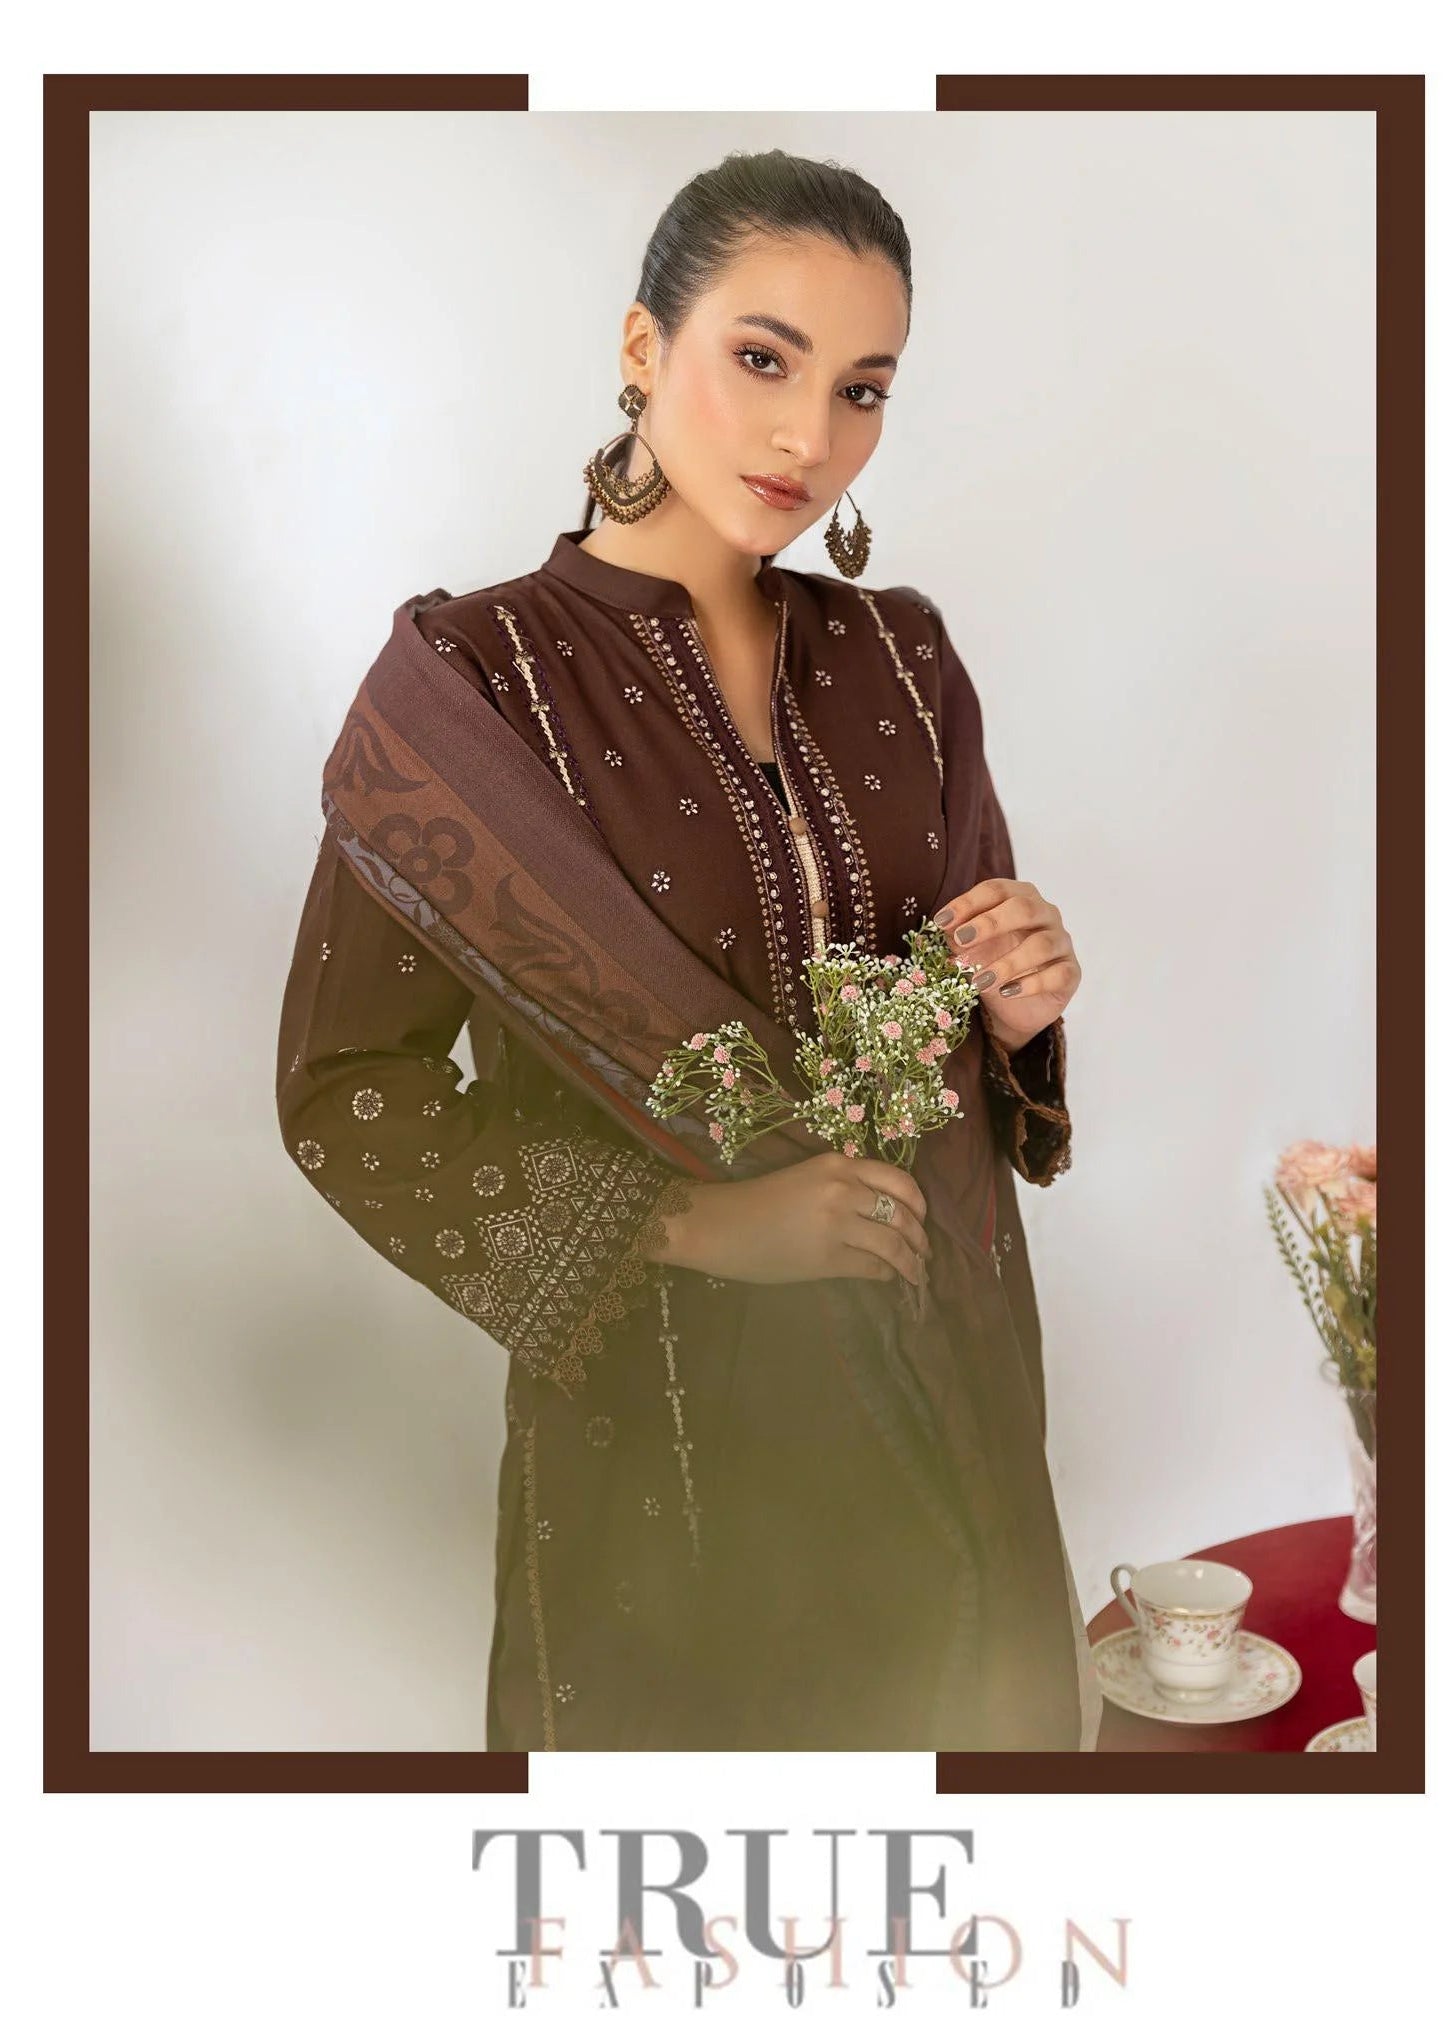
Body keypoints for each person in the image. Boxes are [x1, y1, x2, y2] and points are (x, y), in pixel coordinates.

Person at [275, 147, 1101, 1752]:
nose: (812, 437)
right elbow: (345, 1094)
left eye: (863, 387)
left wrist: (1013, 1009)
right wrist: (688, 1228)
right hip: (662, 1455)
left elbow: (952, 1018)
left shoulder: (901, 658)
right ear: (644, 347)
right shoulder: (470, 691)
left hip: (945, 1400)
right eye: (762, 359)